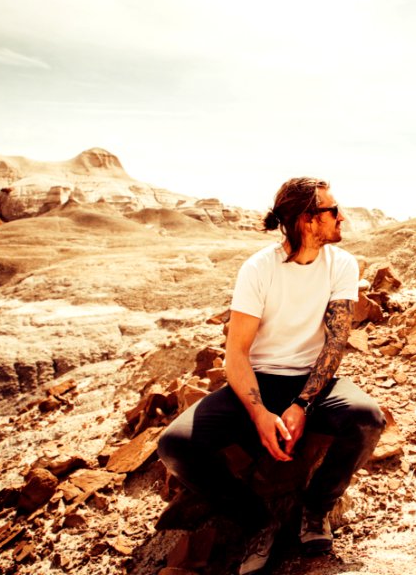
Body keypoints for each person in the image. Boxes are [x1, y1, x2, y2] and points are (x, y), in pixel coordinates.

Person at [158, 177, 386, 575]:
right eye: (333, 211)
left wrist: (302, 404)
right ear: (307, 220)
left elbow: (334, 347)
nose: (342, 217)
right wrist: (260, 413)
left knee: (367, 419)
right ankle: (256, 520)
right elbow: (237, 353)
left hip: (313, 383)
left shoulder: (342, 264)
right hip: (258, 380)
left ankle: (315, 510)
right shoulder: (258, 269)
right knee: (175, 446)